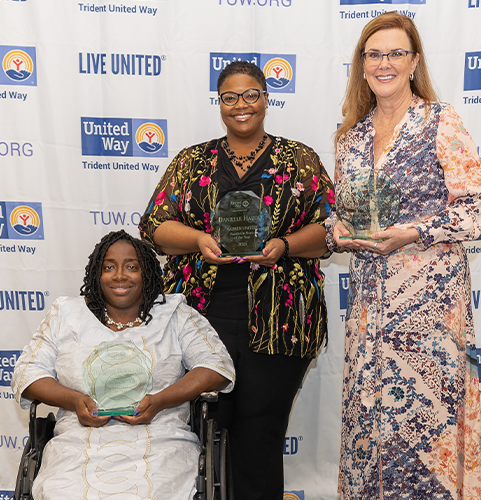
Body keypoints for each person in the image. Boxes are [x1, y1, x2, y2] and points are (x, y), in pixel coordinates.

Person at [140, 60, 334, 500]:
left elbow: (329, 231)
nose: (241, 105)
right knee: (197, 434)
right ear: (220, 104)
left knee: (261, 434)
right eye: (230, 97)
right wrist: (199, 238)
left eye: (251, 95)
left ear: (266, 99)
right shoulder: (192, 162)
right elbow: (153, 226)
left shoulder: (299, 160)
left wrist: (284, 245)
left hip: (280, 320)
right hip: (202, 320)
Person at [326, 12, 481, 500]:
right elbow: (346, 213)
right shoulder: (350, 137)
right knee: (369, 430)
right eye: (374, 54)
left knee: (424, 435)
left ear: (414, 61)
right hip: (367, 318)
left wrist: (413, 231)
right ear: (361, 64)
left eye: (396, 53)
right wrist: (337, 232)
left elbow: (476, 209)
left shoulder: (441, 121)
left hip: (430, 319)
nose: (384, 63)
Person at [11, 230, 235, 500]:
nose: (119, 276)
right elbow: (27, 372)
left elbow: (217, 366)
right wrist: (75, 401)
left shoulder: (175, 314)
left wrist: (160, 401)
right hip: (77, 444)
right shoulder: (65, 315)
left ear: (147, 273)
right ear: (97, 273)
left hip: (162, 440)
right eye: (109, 267)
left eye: (132, 267)